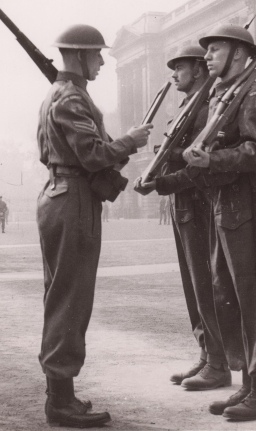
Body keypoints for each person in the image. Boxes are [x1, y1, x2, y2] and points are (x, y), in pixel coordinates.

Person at [36, 24, 152, 428]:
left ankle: (62, 393)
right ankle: (60, 402)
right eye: (97, 55)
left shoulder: (64, 95)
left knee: (65, 295)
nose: (102, 61)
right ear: (79, 57)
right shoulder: (70, 98)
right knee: (71, 299)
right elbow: (93, 155)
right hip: (74, 201)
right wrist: (131, 141)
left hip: (66, 196)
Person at [183, 24, 256, 421]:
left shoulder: (252, 95)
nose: (206, 56)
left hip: (251, 204)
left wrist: (213, 159)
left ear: (240, 54)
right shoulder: (223, 96)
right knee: (228, 294)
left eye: (215, 49)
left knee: (254, 298)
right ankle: (247, 383)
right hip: (227, 203)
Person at [135, 46, 231, 391]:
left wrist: (160, 181)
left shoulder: (205, 110)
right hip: (183, 205)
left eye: (181, 68)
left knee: (206, 284)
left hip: (199, 203)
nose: (174, 74)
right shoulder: (187, 107)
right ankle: (207, 354)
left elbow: (196, 167)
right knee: (193, 285)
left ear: (198, 72)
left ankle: (219, 364)